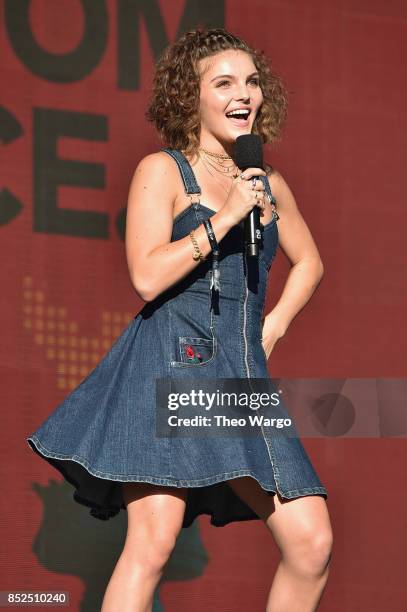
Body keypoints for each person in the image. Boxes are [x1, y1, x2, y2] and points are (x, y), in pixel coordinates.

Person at [27, 27, 333, 612]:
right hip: (169, 363)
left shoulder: (269, 184)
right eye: (224, 83)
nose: (244, 94)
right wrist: (226, 218)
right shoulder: (163, 171)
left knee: (311, 543)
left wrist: (274, 325)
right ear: (188, 97)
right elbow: (145, 276)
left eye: (251, 82)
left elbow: (311, 262)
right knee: (154, 543)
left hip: (239, 379)